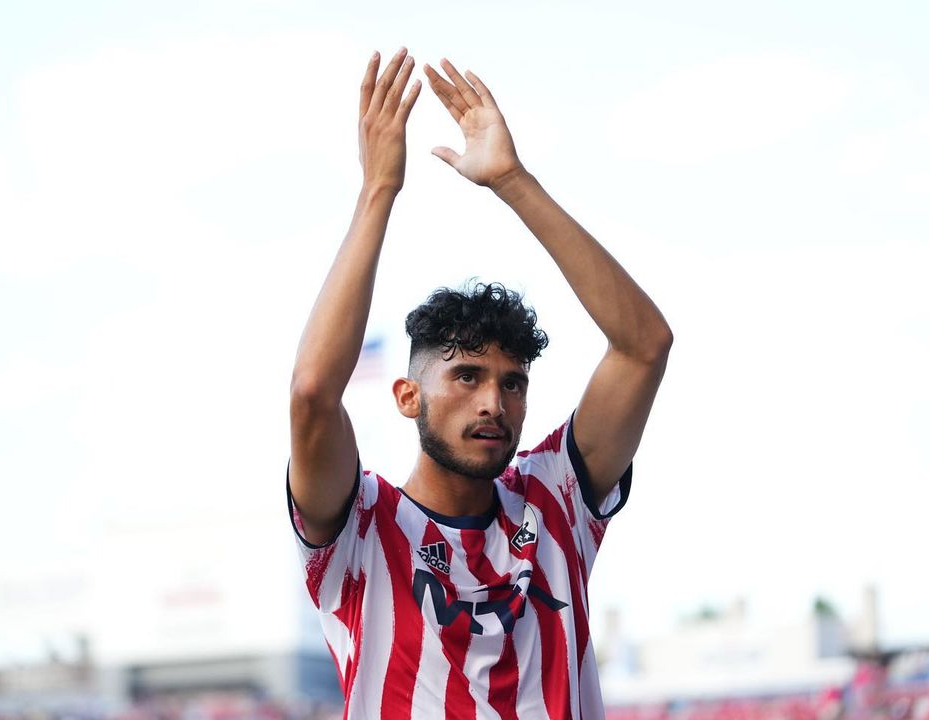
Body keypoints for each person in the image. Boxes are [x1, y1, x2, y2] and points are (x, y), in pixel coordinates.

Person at [288, 47, 673, 719]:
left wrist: (513, 180)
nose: (494, 402)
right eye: (466, 376)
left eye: (513, 383)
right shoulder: (362, 526)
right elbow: (313, 394)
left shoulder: (555, 499)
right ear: (407, 396)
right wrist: (378, 192)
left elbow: (644, 347)